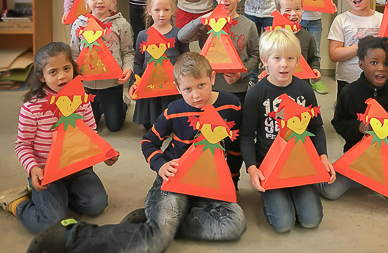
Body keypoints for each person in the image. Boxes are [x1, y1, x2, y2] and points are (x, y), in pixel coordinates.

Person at [27, 52, 246, 253]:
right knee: (157, 241)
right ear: (177, 87)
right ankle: (74, 236)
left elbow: (234, 150)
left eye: (202, 85)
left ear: (213, 78)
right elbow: (149, 141)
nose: (196, 95)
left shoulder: (232, 105)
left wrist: (232, 184)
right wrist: (161, 165)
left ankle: (160, 221)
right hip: (173, 178)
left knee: (235, 224)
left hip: (210, 183)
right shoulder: (174, 110)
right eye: (188, 89)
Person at [0, 42, 117, 234]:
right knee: (50, 223)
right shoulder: (32, 107)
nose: (62, 76)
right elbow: (22, 145)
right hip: (46, 172)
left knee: (97, 204)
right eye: (53, 72)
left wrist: (103, 153)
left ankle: (59, 198)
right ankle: (18, 204)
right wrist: (34, 168)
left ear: (73, 68)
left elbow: (90, 134)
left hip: (77, 168)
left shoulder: (81, 98)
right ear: (42, 77)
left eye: (66, 68)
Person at [239, 29, 336, 233]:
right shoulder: (256, 94)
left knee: (311, 220)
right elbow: (247, 136)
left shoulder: (304, 90)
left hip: (300, 164)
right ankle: (275, 196)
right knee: (283, 224)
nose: (284, 64)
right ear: (265, 61)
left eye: (290, 58)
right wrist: (252, 168)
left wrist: (322, 156)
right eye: (277, 58)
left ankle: (298, 190)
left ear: (297, 60)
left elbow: (316, 127)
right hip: (270, 165)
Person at [319, 36, 388, 210]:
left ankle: (380, 181)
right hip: (357, 158)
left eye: (386, 63)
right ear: (361, 64)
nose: (381, 68)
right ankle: (365, 178)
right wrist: (358, 127)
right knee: (330, 191)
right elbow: (338, 122)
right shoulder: (349, 92)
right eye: (374, 63)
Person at [179, 0, 259, 189]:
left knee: (232, 139)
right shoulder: (207, 24)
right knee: (204, 137)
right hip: (208, 92)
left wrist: (241, 74)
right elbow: (181, 36)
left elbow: (255, 56)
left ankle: (232, 181)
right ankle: (202, 178)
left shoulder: (248, 25)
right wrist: (201, 19)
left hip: (236, 90)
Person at [70, 0, 134, 132]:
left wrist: (128, 68)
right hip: (87, 85)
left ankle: (123, 103)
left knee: (114, 126)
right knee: (90, 126)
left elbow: (128, 52)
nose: (100, 1)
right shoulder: (79, 24)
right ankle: (98, 108)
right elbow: (73, 53)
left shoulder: (121, 23)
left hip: (112, 85)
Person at [129, 0, 189, 130]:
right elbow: (138, 61)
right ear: (149, 11)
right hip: (150, 87)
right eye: (157, 10)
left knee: (173, 123)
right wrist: (135, 82)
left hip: (172, 87)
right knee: (150, 126)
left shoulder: (179, 34)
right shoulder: (143, 35)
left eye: (166, 10)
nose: (162, 14)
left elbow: (185, 59)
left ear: (173, 10)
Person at [327, 0, 383, 99]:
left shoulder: (382, 19)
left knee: (374, 116)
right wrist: (363, 46)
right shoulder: (341, 20)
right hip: (348, 80)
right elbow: (334, 55)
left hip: (376, 79)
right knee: (347, 116)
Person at [274, 0, 323, 91]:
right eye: (287, 10)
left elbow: (313, 58)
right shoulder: (273, 37)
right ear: (278, 12)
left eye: (297, 9)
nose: (294, 13)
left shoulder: (308, 36)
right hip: (278, 85)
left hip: (301, 86)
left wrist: (315, 68)